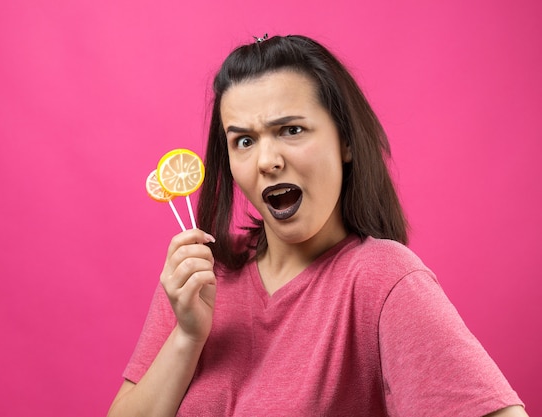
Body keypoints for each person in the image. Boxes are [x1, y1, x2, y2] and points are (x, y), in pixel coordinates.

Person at [107, 34, 527, 416]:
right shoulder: (201, 276)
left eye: (290, 130)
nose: (267, 161)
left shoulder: (382, 280)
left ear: (344, 140)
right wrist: (187, 337)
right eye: (244, 141)